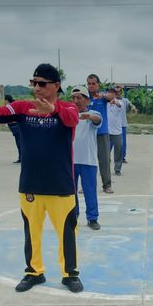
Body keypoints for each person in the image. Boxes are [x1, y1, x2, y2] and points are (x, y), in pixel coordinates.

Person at [0, 63, 83, 293]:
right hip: (30, 184)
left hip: (61, 185)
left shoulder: (68, 107)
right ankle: (34, 272)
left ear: (56, 86)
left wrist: (52, 110)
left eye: (41, 83)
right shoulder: (23, 107)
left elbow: (71, 120)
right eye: (33, 83)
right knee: (32, 232)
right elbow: (1, 112)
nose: (36, 87)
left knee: (67, 232)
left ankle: (70, 274)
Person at [70, 85, 102, 230]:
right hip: (71, 160)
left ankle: (92, 218)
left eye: (79, 98)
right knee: (71, 191)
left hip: (88, 161)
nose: (76, 101)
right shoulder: (69, 114)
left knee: (90, 191)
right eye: (73, 98)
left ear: (87, 100)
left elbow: (97, 120)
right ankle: (73, 216)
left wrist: (87, 116)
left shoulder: (93, 113)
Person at [86, 74, 113, 193]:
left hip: (102, 132)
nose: (91, 86)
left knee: (104, 159)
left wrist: (103, 95)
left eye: (93, 83)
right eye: (89, 83)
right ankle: (86, 185)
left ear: (98, 84)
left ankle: (107, 185)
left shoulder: (103, 96)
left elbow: (112, 97)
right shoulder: (84, 97)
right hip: (88, 133)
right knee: (87, 160)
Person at [114, 84, 137, 163]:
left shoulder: (125, 100)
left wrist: (133, 108)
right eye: (116, 91)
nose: (117, 93)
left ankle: (122, 158)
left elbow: (131, 105)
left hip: (122, 125)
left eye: (119, 91)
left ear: (121, 92)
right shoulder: (111, 100)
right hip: (113, 126)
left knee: (123, 143)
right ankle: (107, 157)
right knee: (110, 143)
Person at [107, 87, 124, 176]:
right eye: (108, 93)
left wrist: (115, 102)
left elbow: (119, 105)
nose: (110, 95)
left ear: (114, 95)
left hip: (117, 132)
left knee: (118, 152)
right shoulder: (105, 103)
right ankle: (106, 169)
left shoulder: (120, 102)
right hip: (107, 132)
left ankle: (117, 169)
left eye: (111, 94)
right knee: (105, 153)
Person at [5, 94, 21, 163]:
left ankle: (22, 158)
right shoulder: (11, 105)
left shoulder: (9, 107)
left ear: (6, 100)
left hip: (16, 127)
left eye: (4, 100)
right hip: (16, 127)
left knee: (19, 143)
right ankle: (21, 158)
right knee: (19, 143)